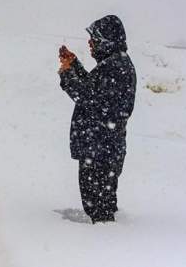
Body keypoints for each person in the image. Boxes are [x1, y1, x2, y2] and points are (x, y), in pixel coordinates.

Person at [58, 15, 136, 224]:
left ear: (107, 40)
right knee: (103, 202)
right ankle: (106, 238)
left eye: (95, 39)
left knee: (98, 208)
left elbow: (88, 98)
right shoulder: (114, 64)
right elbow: (93, 89)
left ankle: (103, 246)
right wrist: (74, 66)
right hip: (104, 148)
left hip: (101, 150)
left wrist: (67, 75)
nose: (90, 44)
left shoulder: (115, 67)